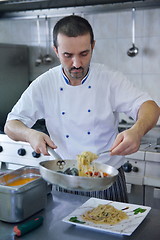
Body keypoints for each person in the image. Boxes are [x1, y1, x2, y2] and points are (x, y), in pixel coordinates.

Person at [4, 15, 160, 202]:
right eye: (68, 55)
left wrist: (137, 130)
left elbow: (149, 106)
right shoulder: (45, 83)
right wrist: (30, 134)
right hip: (64, 178)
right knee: (61, 230)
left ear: (93, 46)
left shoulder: (109, 79)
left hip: (105, 179)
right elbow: (11, 125)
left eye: (84, 54)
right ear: (56, 51)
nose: (77, 64)